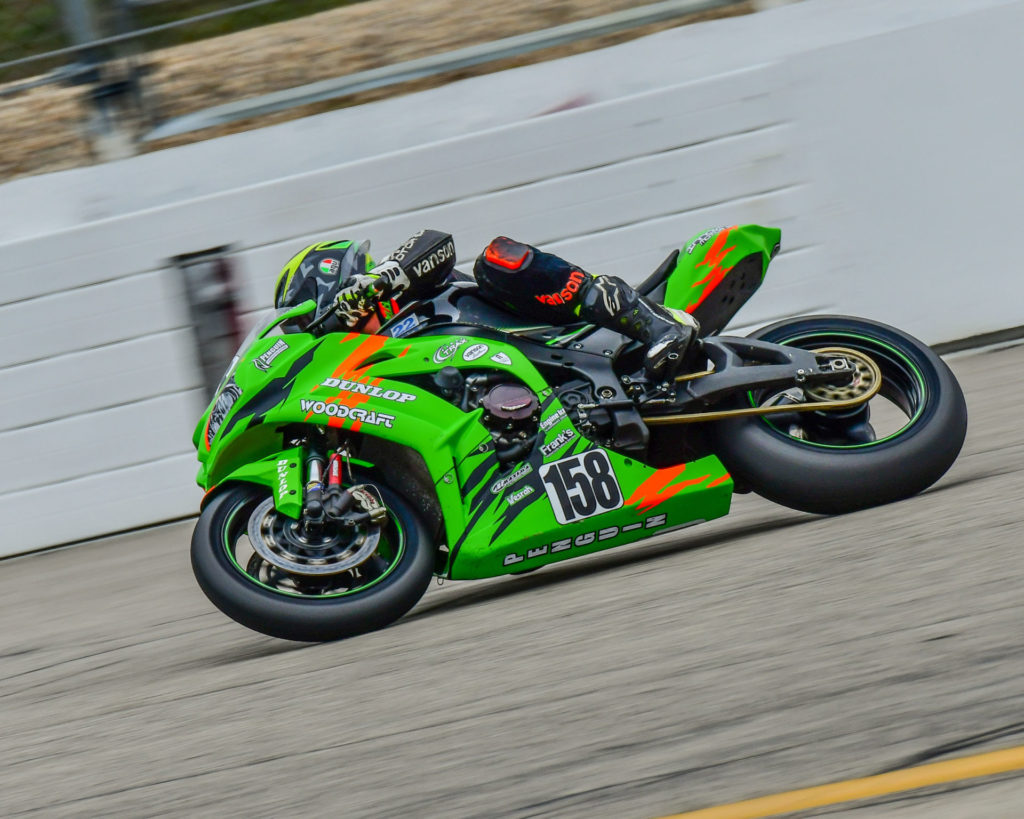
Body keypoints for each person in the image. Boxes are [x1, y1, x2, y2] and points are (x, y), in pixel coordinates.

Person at [273, 229, 699, 380]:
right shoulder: (370, 367)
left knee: (496, 259)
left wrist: (378, 281)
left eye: (311, 322)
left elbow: (435, 241)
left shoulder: (408, 285)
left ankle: (657, 325)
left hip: (558, 332)